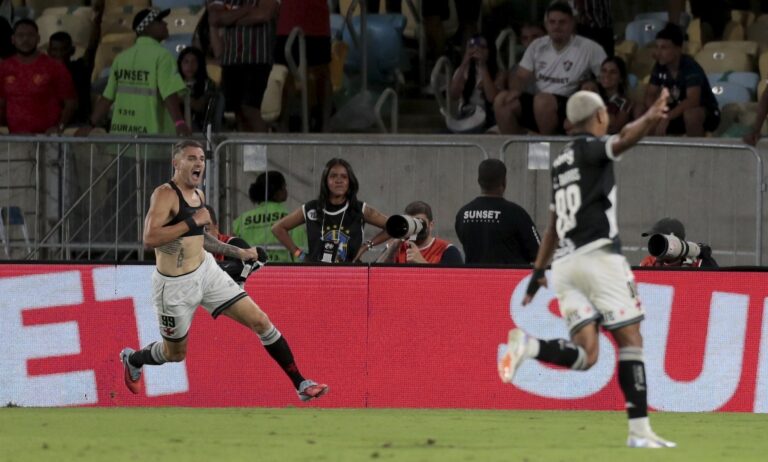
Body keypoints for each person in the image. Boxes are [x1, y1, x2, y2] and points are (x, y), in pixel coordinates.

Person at [498, 88, 675, 448]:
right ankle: (639, 433)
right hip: (598, 258)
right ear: (598, 117)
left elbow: (551, 227)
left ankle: (530, 347)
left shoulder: (561, 162)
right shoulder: (590, 149)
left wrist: (536, 275)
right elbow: (624, 140)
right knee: (631, 340)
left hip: (564, 265)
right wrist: (650, 116)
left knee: (588, 356)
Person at [120, 140, 328, 402]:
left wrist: (239, 253)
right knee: (175, 354)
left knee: (261, 321)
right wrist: (192, 221)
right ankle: (134, 359)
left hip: (206, 271)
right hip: (174, 286)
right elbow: (149, 238)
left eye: (201, 159)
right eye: (191, 158)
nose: (198, 163)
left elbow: (201, 239)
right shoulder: (165, 194)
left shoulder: (199, 196)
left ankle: (301, 384)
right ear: (176, 163)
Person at [493, 2, 606, 135]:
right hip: (539, 102)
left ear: (572, 24)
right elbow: (520, 76)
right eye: (552, 22)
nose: (556, 26)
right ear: (546, 25)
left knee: (542, 101)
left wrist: (591, 84)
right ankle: (515, 150)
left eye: (562, 22)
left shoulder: (590, 48)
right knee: (502, 100)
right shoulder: (537, 45)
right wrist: (516, 89)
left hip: (569, 104)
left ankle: (549, 148)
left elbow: (606, 78)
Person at [82, 8, 191, 136]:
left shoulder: (121, 58)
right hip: (152, 140)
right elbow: (169, 93)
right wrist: (179, 123)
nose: (165, 24)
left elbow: (107, 98)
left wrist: (89, 125)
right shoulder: (162, 56)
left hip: (122, 139)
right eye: (160, 21)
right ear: (146, 27)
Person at [271, 158, 389, 263]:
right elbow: (277, 228)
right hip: (317, 276)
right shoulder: (311, 208)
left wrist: (366, 246)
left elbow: (393, 227)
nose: (339, 180)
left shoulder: (359, 209)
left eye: (344, 176)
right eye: (333, 176)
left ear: (350, 181)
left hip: (351, 276)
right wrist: (299, 254)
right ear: (325, 181)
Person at [209, 0, 279, 132]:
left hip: (257, 60)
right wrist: (247, 9)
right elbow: (215, 18)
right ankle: (245, 148)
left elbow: (263, 15)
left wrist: (229, 17)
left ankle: (262, 148)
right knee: (238, 111)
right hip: (231, 60)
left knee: (250, 108)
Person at [454, 159, 540, 265]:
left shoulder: (463, 214)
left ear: (479, 181)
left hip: (475, 278)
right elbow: (538, 252)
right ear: (504, 182)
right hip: (509, 279)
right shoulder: (516, 213)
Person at [641, 23, 719, 137]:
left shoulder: (690, 67)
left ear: (678, 49)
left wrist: (668, 116)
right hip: (675, 113)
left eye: (664, 48)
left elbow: (693, 100)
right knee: (643, 115)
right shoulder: (659, 66)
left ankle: (697, 153)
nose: (658, 53)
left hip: (705, 113)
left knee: (690, 115)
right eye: (657, 47)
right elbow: (649, 95)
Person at [0, 19, 76, 134]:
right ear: (13, 39)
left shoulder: (55, 67)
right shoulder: (4, 67)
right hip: (16, 139)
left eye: (30, 35)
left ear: (38, 39)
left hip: (47, 139)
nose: (25, 39)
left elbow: (71, 103)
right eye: (20, 35)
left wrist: (60, 127)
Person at [274, 0, 332, 132]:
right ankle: (282, 123)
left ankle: (325, 124)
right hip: (289, 21)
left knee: (322, 74)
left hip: (316, 21)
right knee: (284, 74)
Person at [232, 171, 308, 263]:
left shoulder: (241, 220)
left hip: (252, 272)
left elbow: (233, 251)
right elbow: (300, 252)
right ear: (278, 191)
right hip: (281, 273)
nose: (286, 190)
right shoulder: (290, 219)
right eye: (284, 187)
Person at [377, 201, 463, 265]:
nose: (415, 228)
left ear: (431, 225)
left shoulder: (447, 250)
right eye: (411, 223)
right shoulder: (396, 247)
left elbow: (453, 283)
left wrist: (422, 263)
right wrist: (393, 248)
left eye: (420, 223)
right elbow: (374, 274)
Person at [447, 34, 500, 133]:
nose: (477, 50)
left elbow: (492, 98)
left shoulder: (499, 73)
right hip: (467, 115)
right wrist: (464, 63)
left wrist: (483, 66)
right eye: (472, 47)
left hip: (489, 118)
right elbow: (453, 95)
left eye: (482, 47)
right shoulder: (463, 71)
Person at [47, 31, 92, 126]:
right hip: (49, 124)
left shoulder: (80, 68)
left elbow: (92, 48)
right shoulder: (43, 72)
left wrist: (97, 23)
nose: (59, 54)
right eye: (55, 50)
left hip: (76, 125)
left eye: (63, 49)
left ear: (72, 50)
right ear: (48, 51)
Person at [639, 217, 718, 267]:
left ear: (673, 241)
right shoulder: (649, 263)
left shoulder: (698, 264)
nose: (655, 245)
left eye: (659, 241)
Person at [178, 46, 216, 132]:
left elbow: (199, 106)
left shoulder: (208, 84)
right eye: (186, 62)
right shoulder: (175, 83)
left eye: (194, 61)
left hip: (201, 129)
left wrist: (182, 98)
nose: (190, 66)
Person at [599, 56, 633, 135]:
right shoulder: (595, 98)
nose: (607, 75)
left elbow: (615, 128)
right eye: (604, 71)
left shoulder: (625, 102)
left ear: (621, 78)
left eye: (613, 72)